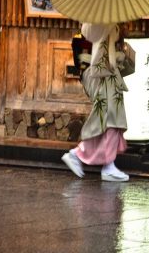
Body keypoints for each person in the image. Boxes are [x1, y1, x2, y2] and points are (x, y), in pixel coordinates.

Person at [61, 22, 135, 181]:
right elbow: (101, 50)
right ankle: (86, 156)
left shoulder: (104, 20)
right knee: (108, 115)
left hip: (103, 73)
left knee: (110, 115)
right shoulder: (100, 21)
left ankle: (101, 162)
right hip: (100, 73)